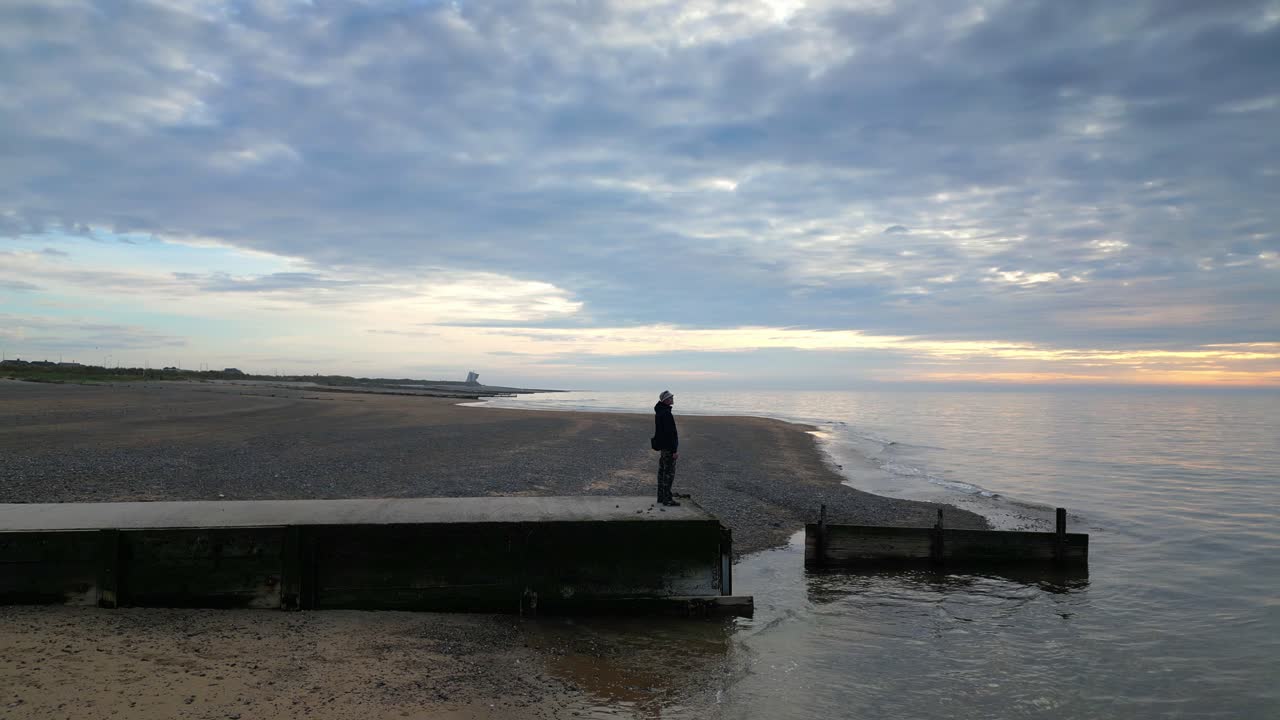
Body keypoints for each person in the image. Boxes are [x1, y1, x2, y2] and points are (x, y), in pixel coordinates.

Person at [652, 390, 680, 506]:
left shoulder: (660, 411)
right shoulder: (666, 413)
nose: (673, 398)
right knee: (668, 474)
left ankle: (661, 497)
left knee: (662, 472)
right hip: (668, 448)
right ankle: (667, 499)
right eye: (670, 397)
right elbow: (670, 433)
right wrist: (674, 450)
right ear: (665, 400)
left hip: (663, 447)